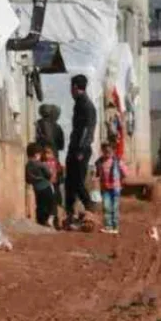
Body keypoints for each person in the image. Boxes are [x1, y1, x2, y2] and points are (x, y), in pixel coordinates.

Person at [64, 74, 97, 221]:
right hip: (76, 147)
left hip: (80, 149)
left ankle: (89, 208)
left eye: (71, 88)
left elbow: (87, 129)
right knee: (70, 182)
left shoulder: (86, 105)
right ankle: (70, 214)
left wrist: (81, 149)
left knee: (77, 181)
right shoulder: (79, 103)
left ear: (75, 87)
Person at [94, 141, 128, 234]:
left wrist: (123, 177)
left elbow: (125, 171)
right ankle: (108, 226)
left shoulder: (117, 161)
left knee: (115, 207)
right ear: (102, 151)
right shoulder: (100, 162)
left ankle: (115, 226)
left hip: (115, 188)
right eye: (105, 151)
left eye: (109, 151)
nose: (107, 154)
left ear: (113, 151)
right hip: (105, 188)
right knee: (106, 207)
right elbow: (96, 173)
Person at [25, 142, 58, 228]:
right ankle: (50, 220)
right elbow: (49, 174)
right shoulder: (41, 164)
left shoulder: (27, 166)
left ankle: (41, 222)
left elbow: (27, 180)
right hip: (46, 187)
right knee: (52, 204)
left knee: (40, 205)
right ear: (37, 155)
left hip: (37, 189)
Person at [42, 144, 62, 225]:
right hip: (46, 185)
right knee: (47, 202)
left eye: (49, 153)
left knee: (55, 201)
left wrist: (59, 179)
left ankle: (53, 220)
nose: (47, 155)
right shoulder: (42, 163)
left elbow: (60, 172)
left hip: (54, 184)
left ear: (53, 154)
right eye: (45, 153)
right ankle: (47, 219)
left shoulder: (56, 162)